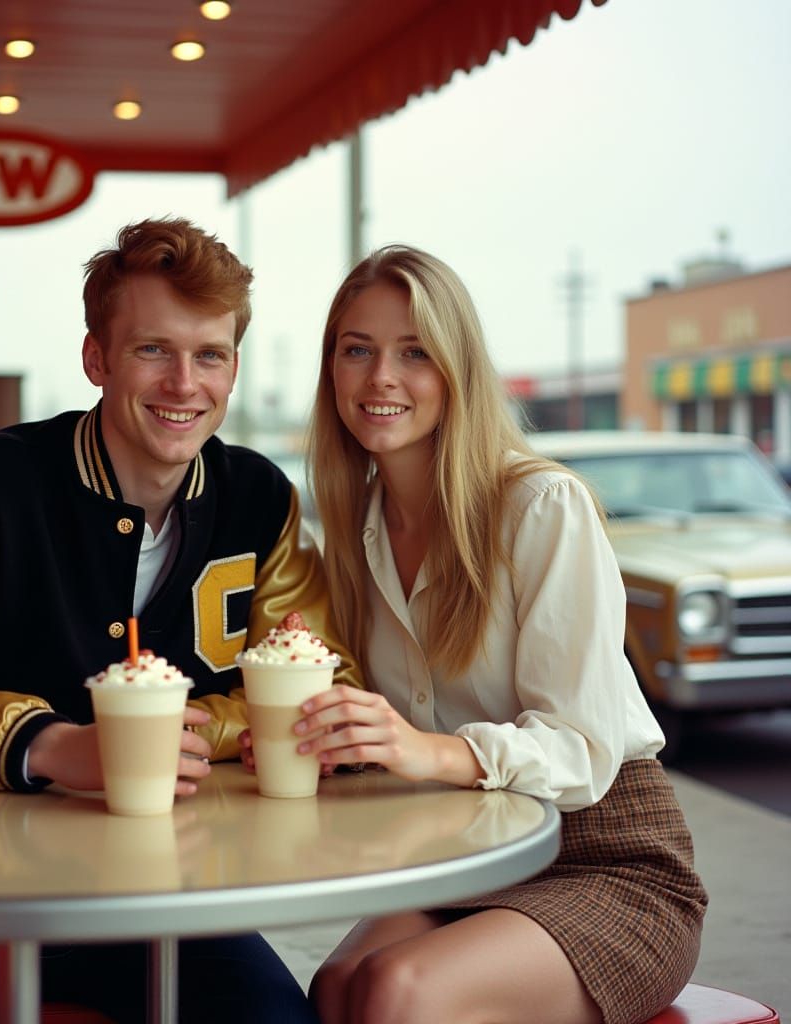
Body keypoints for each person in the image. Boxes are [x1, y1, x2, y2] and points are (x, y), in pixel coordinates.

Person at [0, 217, 359, 1024]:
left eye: (210, 356)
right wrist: (46, 745)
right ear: (96, 359)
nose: (184, 384)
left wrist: (189, 728)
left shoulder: (261, 500)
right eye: (152, 350)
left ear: (234, 368)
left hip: (166, 897)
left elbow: (321, 684)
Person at [282, 245, 706, 1024]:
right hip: (464, 856)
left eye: (414, 352)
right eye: (357, 350)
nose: (381, 377)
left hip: (605, 857)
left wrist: (427, 749)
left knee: (398, 995)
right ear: (331, 371)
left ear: (457, 370)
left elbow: (582, 749)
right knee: (335, 991)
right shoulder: (352, 532)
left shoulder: (541, 506)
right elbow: (377, 740)